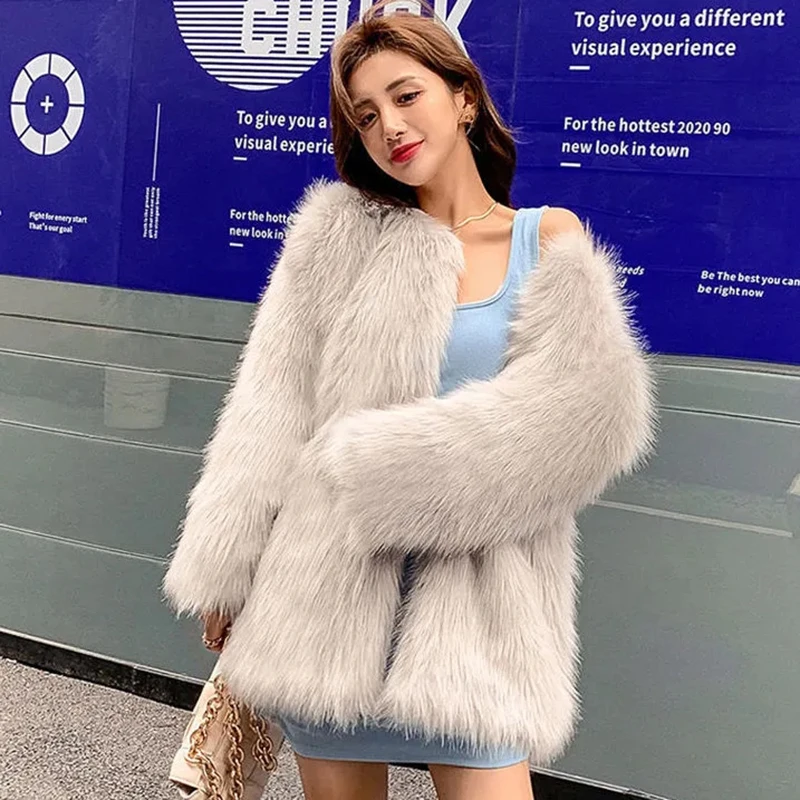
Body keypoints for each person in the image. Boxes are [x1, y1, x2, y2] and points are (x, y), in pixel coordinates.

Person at [163, 4, 656, 800]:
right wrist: (225, 568)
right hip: (325, 603)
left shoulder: (545, 241)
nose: (388, 126)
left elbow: (584, 424)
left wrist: (375, 470)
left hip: (481, 618)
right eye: (365, 115)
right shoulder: (334, 238)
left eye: (406, 95)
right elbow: (272, 406)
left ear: (463, 98)